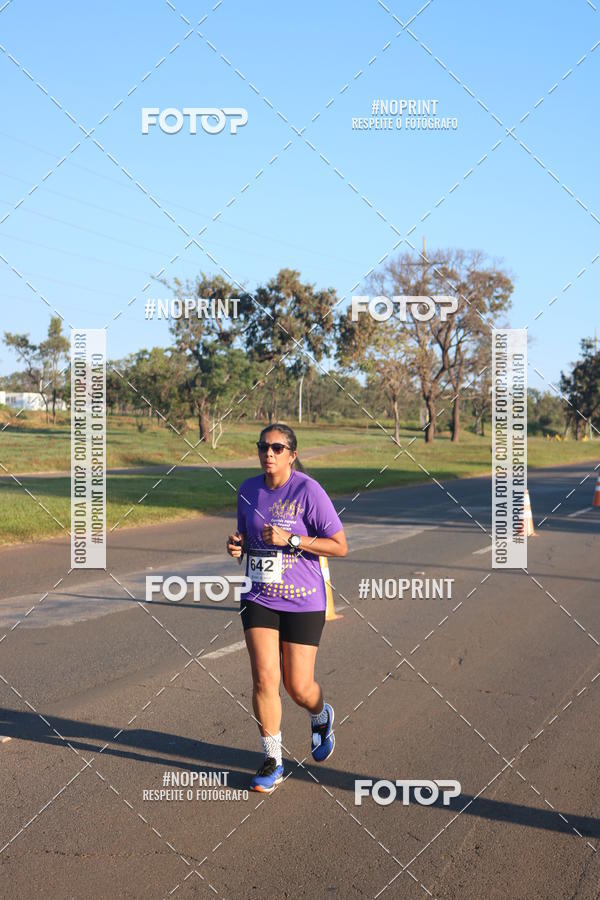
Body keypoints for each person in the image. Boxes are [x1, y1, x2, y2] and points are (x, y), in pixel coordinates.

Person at [226, 423, 347, 793]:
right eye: (263, 446)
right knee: (264, 678)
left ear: (291, 455)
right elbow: (244, 536)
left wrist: (291, 538)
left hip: (303, 599)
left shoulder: (308, 491)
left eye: (277, 448)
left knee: (298, 686)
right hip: (259, 595)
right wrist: (236, 546)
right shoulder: (248, 490)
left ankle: (320, 714)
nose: (269, 453)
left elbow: (339, 546)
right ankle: (272, 760)